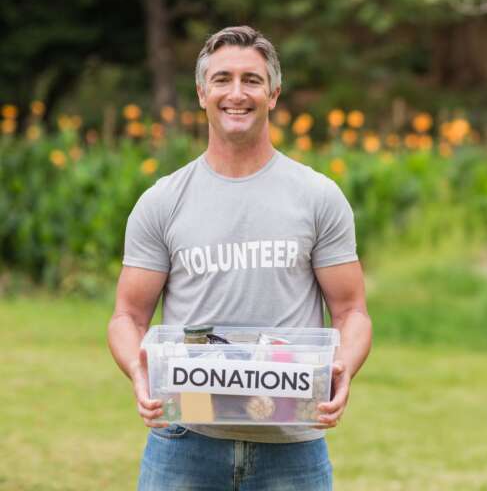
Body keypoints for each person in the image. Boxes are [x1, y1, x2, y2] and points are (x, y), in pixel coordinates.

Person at [107, 25, 372, 490]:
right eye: (222, 79)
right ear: (201, 93)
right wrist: (138, 369)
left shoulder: (317, 196)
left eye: (251, 80)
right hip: (185, 437)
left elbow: (352, 311)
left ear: (273, 94)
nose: (236, 93)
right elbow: (128, 316)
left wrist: (343, 367)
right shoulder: (163, 201)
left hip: (291, 440)